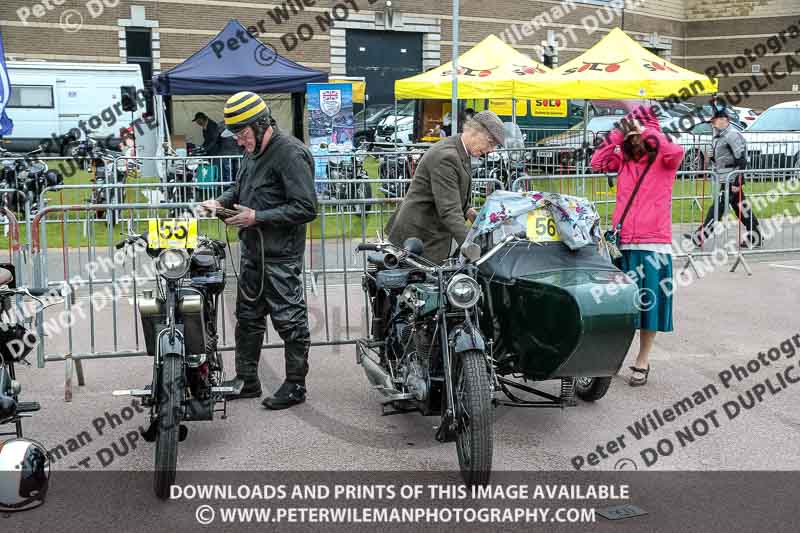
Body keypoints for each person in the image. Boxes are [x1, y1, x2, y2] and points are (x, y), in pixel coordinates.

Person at [200, 92, 317, 409]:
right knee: (248, 319)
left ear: (259, 124)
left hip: (281, 257)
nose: (239, 141)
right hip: (253, 253)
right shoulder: (252, 153)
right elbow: (240, 188)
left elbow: (306, 207)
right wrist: (220, 202)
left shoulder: (291, 154)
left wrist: (258, 217)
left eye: (242, 134)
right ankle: (247, 380)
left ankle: (295, 385)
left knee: (290, 322)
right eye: (236, 135)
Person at [591, 106, 684, 387]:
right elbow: (597, 162)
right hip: (622, 244)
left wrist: (647, 129)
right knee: (619, 304)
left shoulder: (665, 161)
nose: (634, 138)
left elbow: (675, 151)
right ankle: (614, 355)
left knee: (649, 305)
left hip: (653, 243)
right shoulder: (624, 160)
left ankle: (642, 359)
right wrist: (617, 135)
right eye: (630, 133)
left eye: (636, 133)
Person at [385, 110, 505, 264]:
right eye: (491, 142)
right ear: (475, 132)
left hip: (426, 235)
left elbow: (453, 193)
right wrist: (471, 247)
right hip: (419, 239)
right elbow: (449, 210)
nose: (492, 150)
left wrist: (471, 213)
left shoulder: (459, 150)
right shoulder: (447, 157)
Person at [685, 107, 762, 248]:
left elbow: (742, 159)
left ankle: (699, 237)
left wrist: (737, 181)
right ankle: (755, 236)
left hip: (732, 178)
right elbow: (723, 157)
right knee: (741, 208)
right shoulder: (719, 136)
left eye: (714, 121)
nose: (712, 124)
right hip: (724, 177)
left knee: (717, 209)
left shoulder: (732, 135)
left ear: (724, 120)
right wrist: (713, 158)